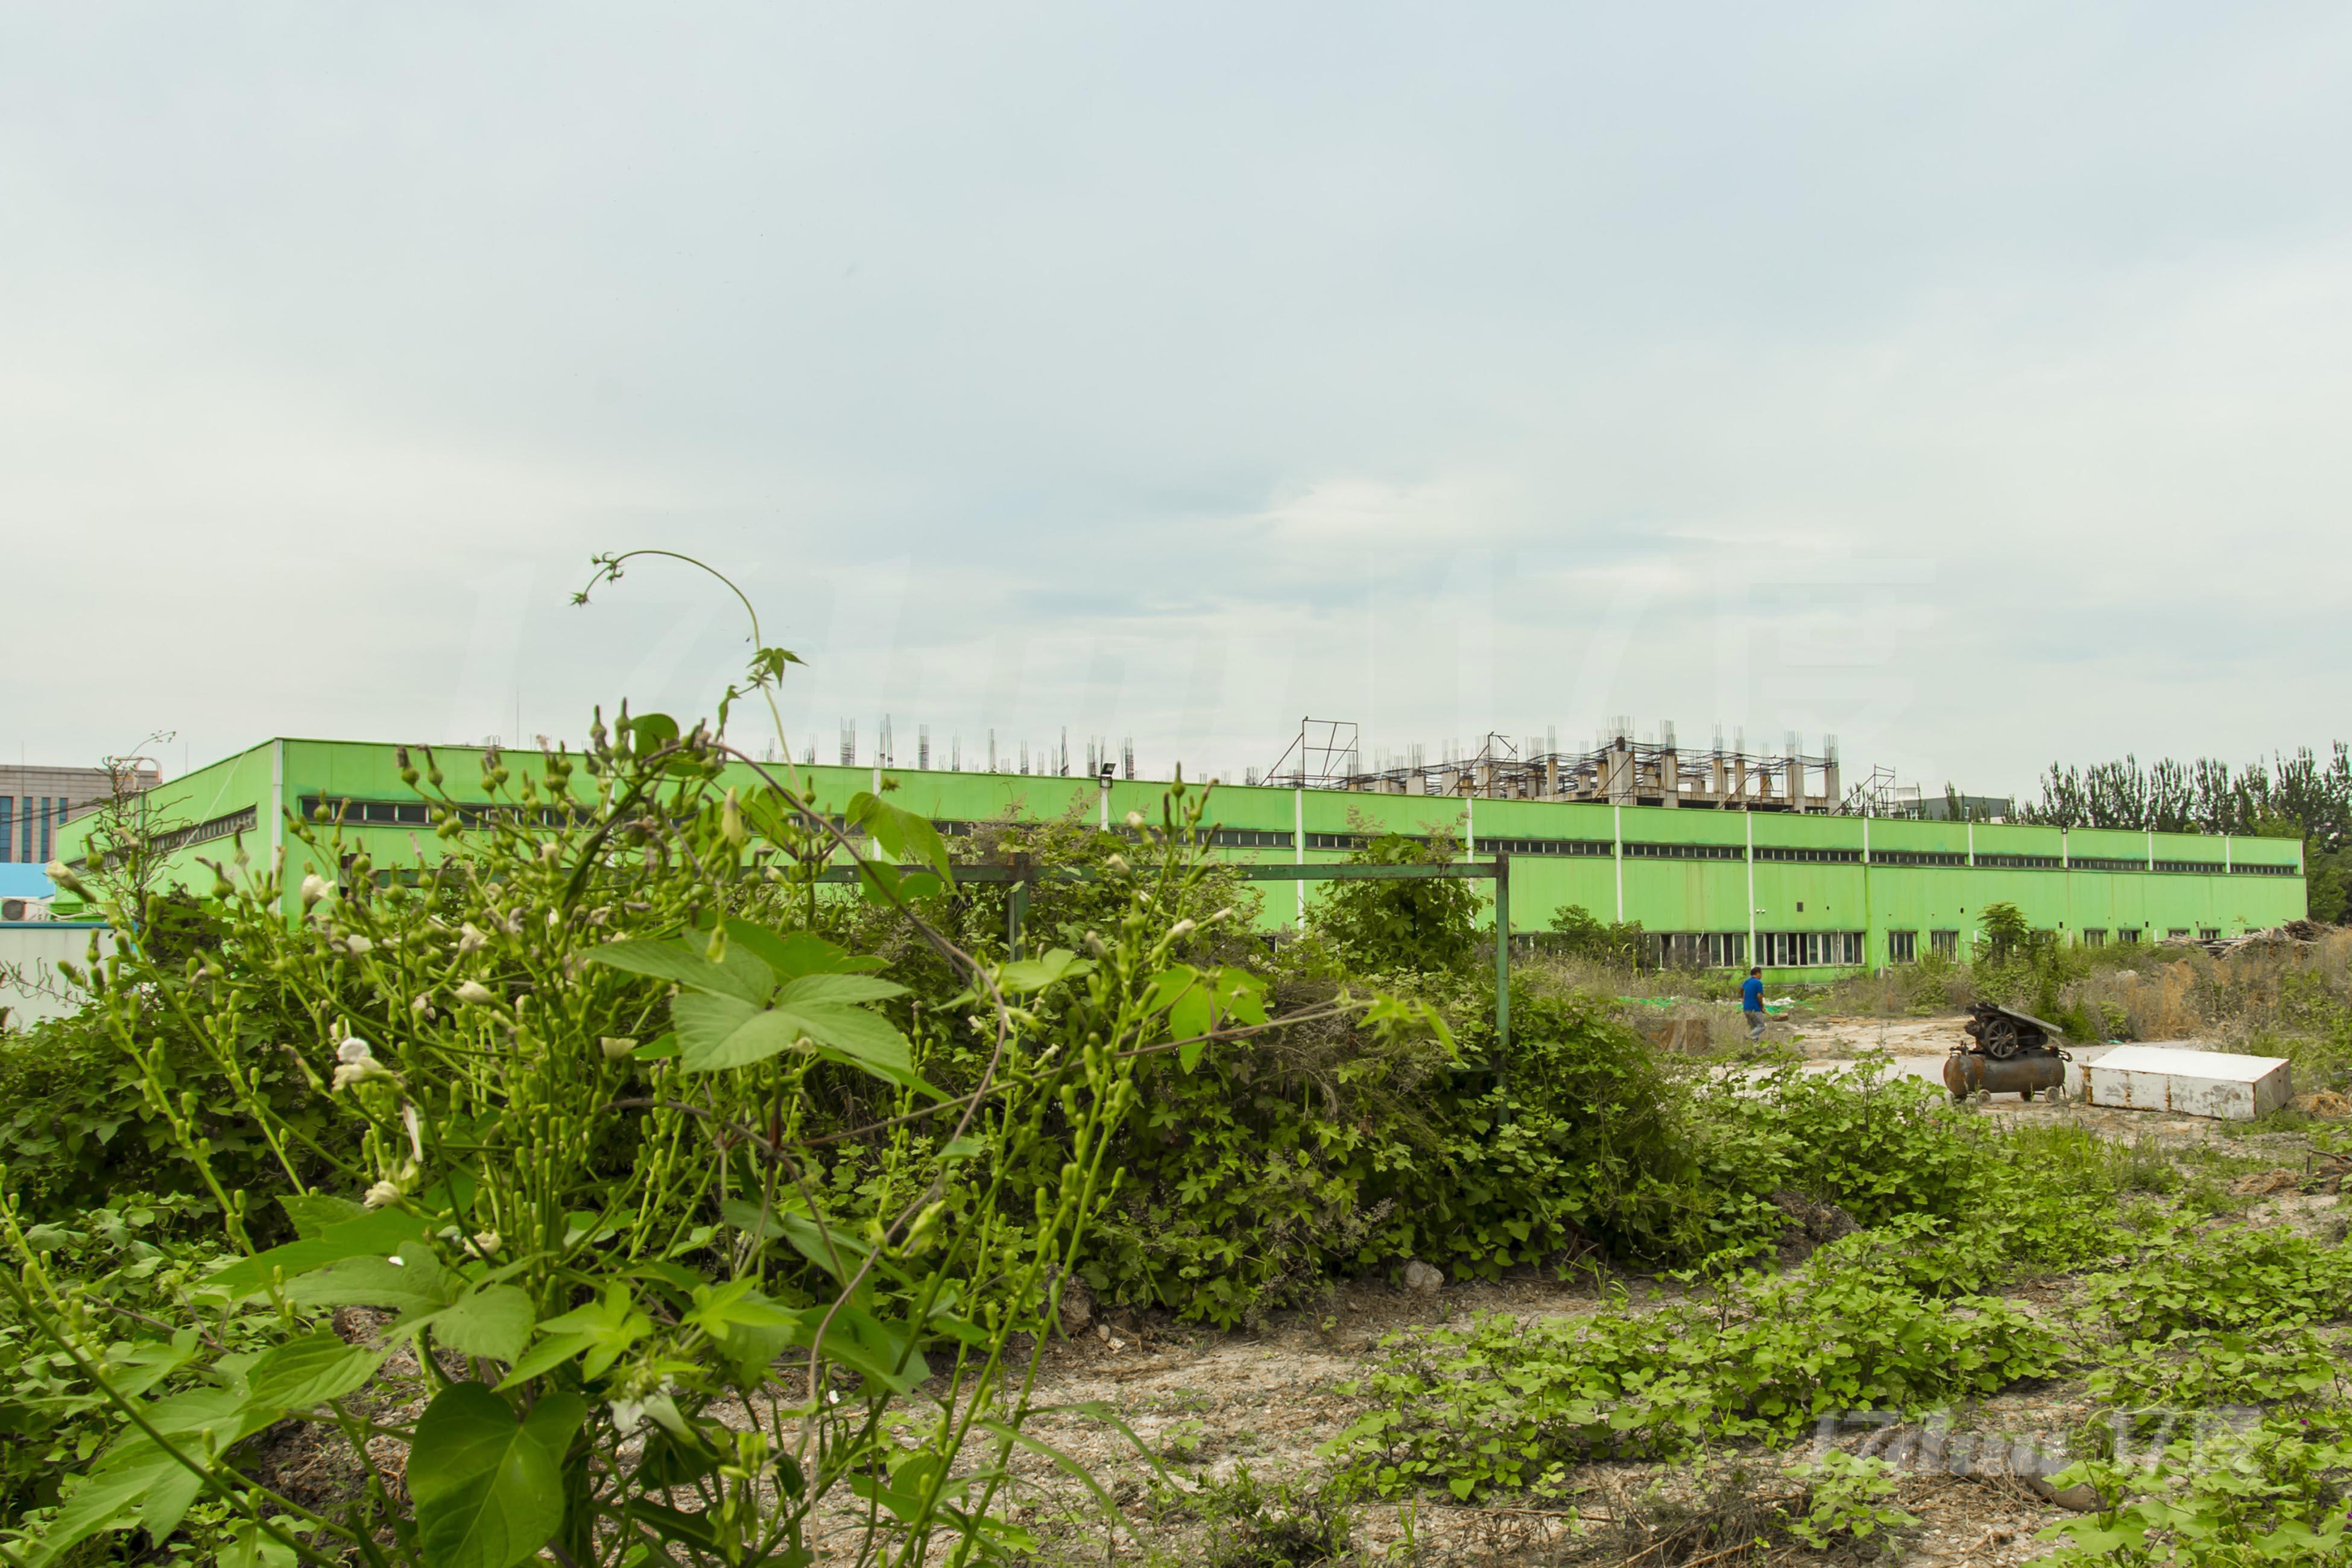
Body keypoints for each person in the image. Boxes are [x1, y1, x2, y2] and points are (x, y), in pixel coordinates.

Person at [1740, 965, 1766, 1040]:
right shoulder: (1758, 983)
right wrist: (1762, 1007)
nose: (1761, 976)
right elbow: (1759, 996)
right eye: (1761, 974)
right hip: (1754, 1008)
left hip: (1746, 1008)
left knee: (1754, 1028)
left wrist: (1743, 997)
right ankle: (1748, 1037)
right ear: (1758, 973)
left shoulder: (1747, 981)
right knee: (1762, 1026)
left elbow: (1741, 988)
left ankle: (1755, 1047)